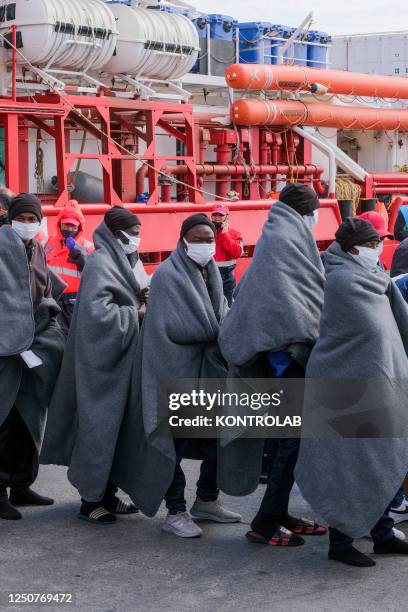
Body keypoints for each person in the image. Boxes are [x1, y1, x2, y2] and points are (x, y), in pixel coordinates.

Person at [113, 213, 241, 538]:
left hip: (206, 372)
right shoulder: (169, 275)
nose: (204, 245)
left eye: (208, 238)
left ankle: (206, 500)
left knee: (215, 440)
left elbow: (222, 310)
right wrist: (220, 331)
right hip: (175, 371)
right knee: (175, 444)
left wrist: (225, 328)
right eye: (197, 239)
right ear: (184, 240)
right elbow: (181, 326)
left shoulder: (210, 270)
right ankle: (175, 511)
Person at [217, 183, 327, 547]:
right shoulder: (283, 240)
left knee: (289, 442)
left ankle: (278, 512)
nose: (316, 218)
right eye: (314, 210)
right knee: (288, 443)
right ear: (304, 211)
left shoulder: (281, 234)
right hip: (285, 360)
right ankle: (265, 522)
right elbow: (285, 305)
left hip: (285, 356)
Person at [295, 218, 408, 567]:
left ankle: (382, 533)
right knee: (347, 466)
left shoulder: (374, 278)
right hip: (343, 384)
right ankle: (340, 542)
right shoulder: (341, 281)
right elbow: (355, 335)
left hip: (377, 382)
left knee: (380, 459)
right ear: (354, 248)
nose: (379, 247)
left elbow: (387, 331)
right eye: (374, 242)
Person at [41, 206, 147, 524]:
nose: (138, 239)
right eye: (134, 233)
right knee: (98, 430)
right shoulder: (102, 263)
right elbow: (98, 315)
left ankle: (108, 494)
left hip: (121, 359)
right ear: (118, 235)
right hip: (99, 365)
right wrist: (136, 313)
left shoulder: (125, 260)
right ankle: (90, 499)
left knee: (119, 432)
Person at [0, 193, 65, 520]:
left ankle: (22, 484)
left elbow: (44, 293)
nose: (27, 224)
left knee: (29, 419)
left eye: (32, 219)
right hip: (4, 353)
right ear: (10, 218)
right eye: (22, 218)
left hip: (31, 348)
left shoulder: (36, 249)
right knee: (3, 421)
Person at [44, 200, 94, 333]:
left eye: (73, 227)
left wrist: (85, 261)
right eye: (66, 225)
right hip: (51, 298)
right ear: (60, 224)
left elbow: (97, 276)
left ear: (80, 227)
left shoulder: (88, 247)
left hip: (75, 301)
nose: (69, 230)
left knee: (73, 338)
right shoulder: (47, 242)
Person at [210, 203, 243, 306]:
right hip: (209, 274)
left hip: (227, 276)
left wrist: (225, 235)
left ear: (227, 217)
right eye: (215, 215)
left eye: (221, 215)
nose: (217, 218)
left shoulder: (235, 234)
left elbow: (237, 253)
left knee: (227, 305)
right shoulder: (207, 233)